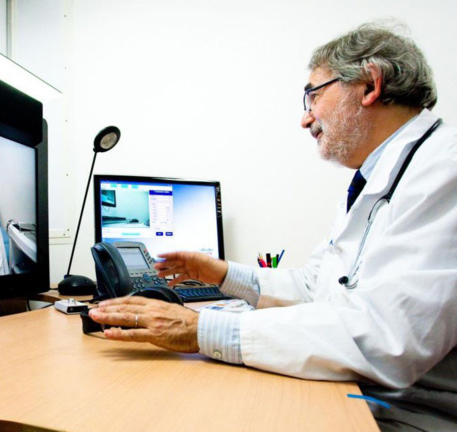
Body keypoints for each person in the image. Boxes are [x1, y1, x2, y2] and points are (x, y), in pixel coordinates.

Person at [89, 23, 457, 431]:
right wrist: (224, 275)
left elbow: (389, 337)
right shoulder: (375, 181)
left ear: (370, 85)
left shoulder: (445, 169)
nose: (306, 119)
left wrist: (200, 328)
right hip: (373, 395)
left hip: (415, 415)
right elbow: (317, 287)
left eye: (314, 94)